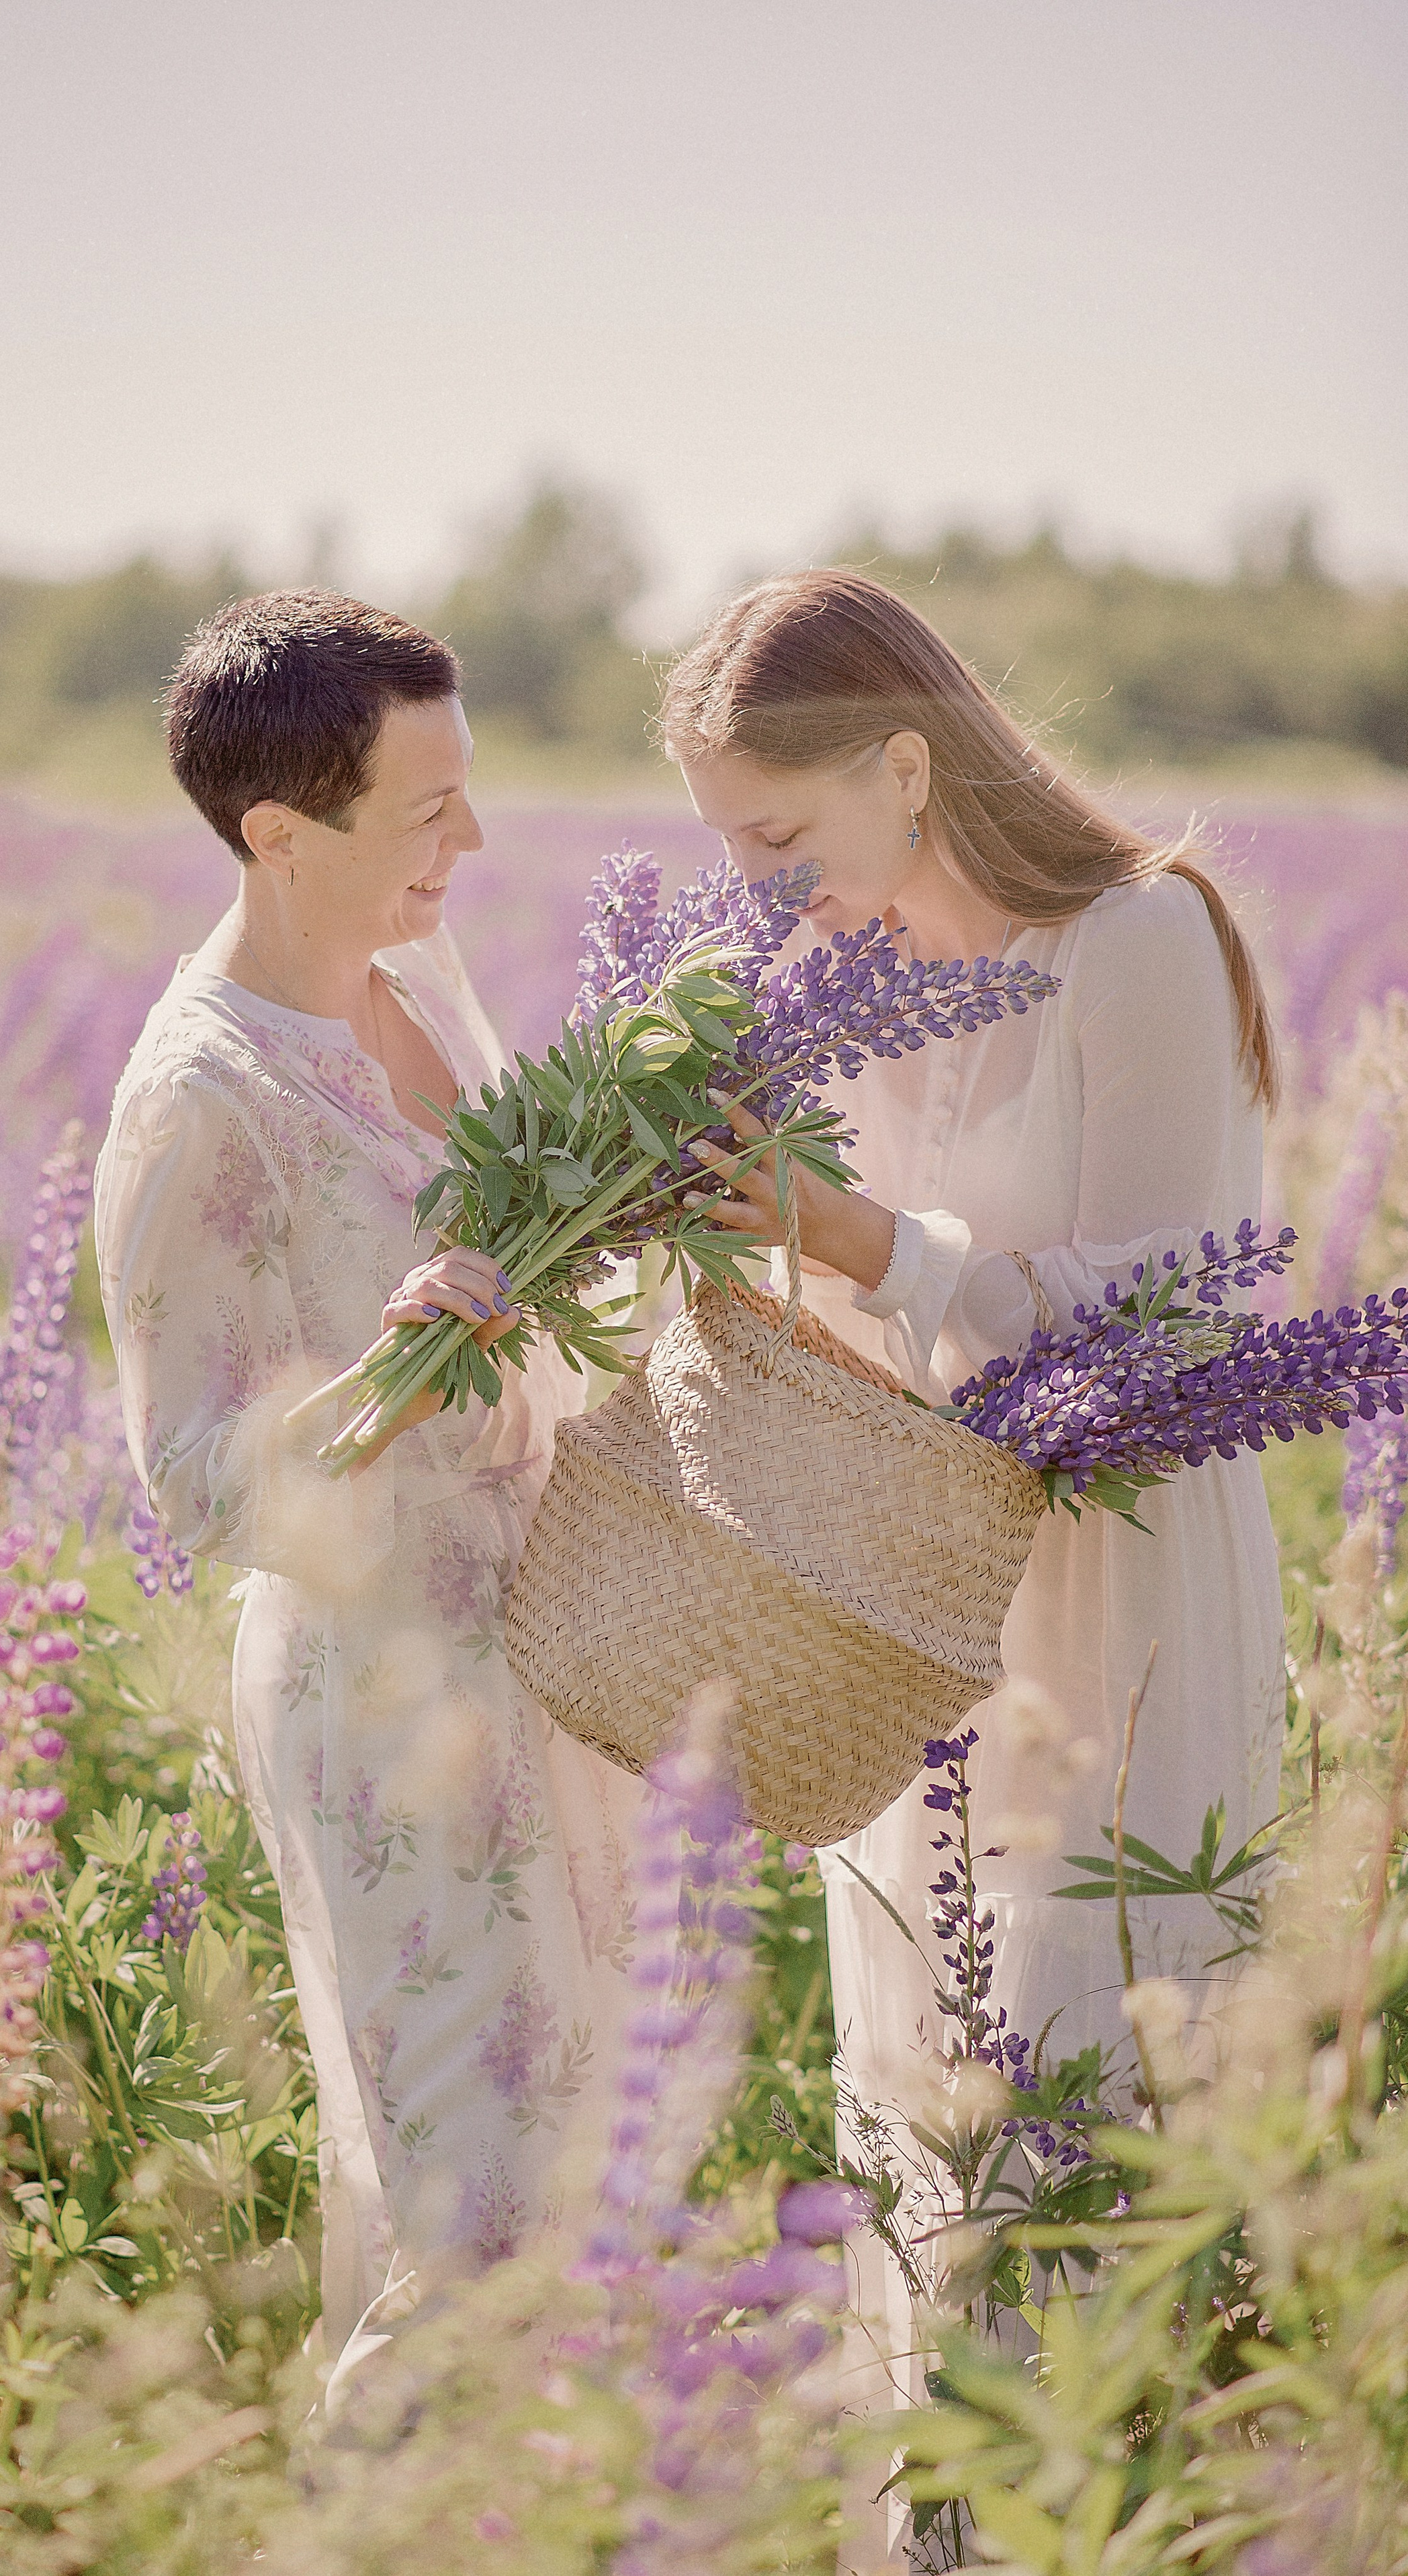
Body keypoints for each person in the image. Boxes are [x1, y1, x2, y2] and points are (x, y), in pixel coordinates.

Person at [658, 570, 1284, 2543]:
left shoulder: (1141, 940)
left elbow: (1165, 1318)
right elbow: (868, 1341)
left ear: (909, 765)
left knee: (1090, 2142)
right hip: (924, 1630)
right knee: (933, 2121)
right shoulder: (835, 995)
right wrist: (727, 1270)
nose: (762, 895)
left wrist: (863, 1249)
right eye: (728, 852)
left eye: (781, 838)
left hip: (1121, 1614)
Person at [93, 590, 643, 2366]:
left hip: (547, 1658)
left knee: (578, 2187)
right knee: (457, 2223)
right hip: (387, 1701)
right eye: (428, 812)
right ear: (280, 835)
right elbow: (190, 1484)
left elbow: (531, 1302)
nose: (470, 841)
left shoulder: (413, 977)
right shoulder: (200, 1092)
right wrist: (379, 1388)